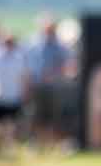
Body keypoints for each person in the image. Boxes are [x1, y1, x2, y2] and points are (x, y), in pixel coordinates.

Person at [26, 17, 71, 150]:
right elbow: (28, 65)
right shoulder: (33, 44)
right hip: (37, 85)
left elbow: (66, 64)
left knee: (54, 115)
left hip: (54, 86)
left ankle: (53, 143)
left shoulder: (60, 46)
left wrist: (54, 73)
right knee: (35, 114)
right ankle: (35, 143)